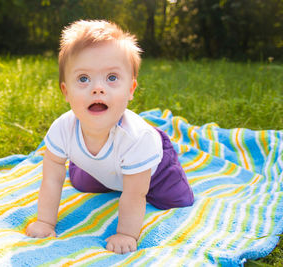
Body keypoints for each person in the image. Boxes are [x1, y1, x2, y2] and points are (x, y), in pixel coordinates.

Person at [26, 20, 194, 254]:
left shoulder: (137, 139)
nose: (97, 88)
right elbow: (52, 179)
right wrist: (45, 222)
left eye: (112, 78)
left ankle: (166, 173)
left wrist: (126, 233)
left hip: (154, 169)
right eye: (83, 79)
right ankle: (93, 166)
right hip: (106, 168)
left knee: (178, 199)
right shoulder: (62, 129)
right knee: (81, 182)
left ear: (131, 89)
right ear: (66, 91)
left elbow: (135, 194)